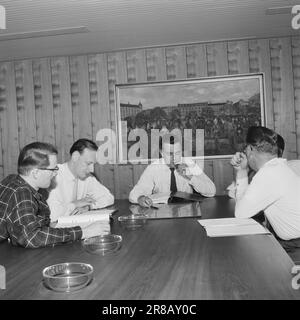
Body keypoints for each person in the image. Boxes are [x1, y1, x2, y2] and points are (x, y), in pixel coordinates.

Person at [0, 142, 109, 248]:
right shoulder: (21, 192)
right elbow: (31, 238)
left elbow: (30, 227)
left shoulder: (13, 180)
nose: (56, 173)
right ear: (35, 173)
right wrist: (84, 232)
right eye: (52, 169)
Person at [230, 126, 300, 247]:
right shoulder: (278, 167)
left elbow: (240, 213)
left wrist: (241, 172)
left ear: (251, 149)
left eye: (245, 149)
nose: (245, 153)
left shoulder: (268, 174)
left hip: (295, 246)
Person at [129, 134, 216, 207]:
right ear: (161, 153)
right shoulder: (153, 168)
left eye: (177, 153)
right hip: (161, 211)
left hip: (186, 209)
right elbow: (134, 194)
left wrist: (190, 176)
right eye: (169, 154)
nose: (174, 158)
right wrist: (140, 198)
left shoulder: (189, 163)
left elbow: (211, 191)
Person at [47, 139, 114, 221]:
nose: (91, 170)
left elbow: (108, 198)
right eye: (88, 163)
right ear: (75, 156)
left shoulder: (87, 177)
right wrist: (75, 204)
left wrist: (88, 206)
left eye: (93, 164)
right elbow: (52, 214)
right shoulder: (53, 175)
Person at [226, 132, 285, 198]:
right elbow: (231, 192)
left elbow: (244, 204)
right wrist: (244, 170)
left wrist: (242, 172)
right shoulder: (254, 170)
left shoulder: (275, 174)